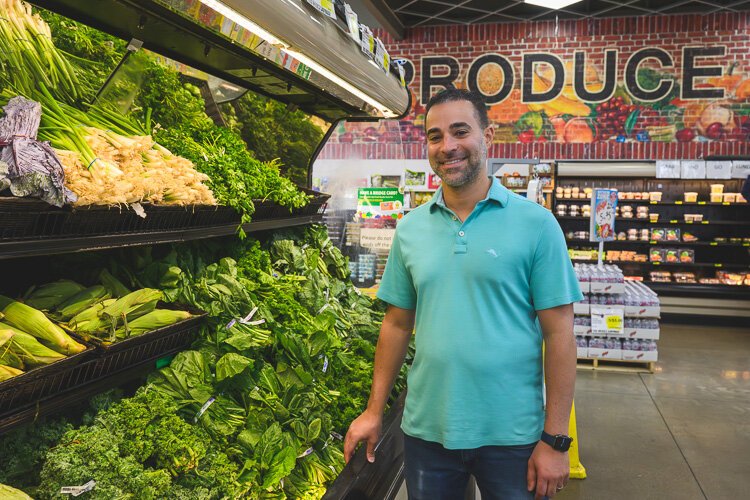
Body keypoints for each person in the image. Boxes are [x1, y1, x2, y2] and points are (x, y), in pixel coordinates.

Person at [344, 88, 583, 500]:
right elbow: (397, 323)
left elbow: (559, 334)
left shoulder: (537, 225)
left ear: (487, 135)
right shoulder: (410, 229)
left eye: (460, 131)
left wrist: (556, 439)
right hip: (427, 432)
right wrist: (373, 410)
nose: (448, 146)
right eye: (435, 136)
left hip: (513, 436)